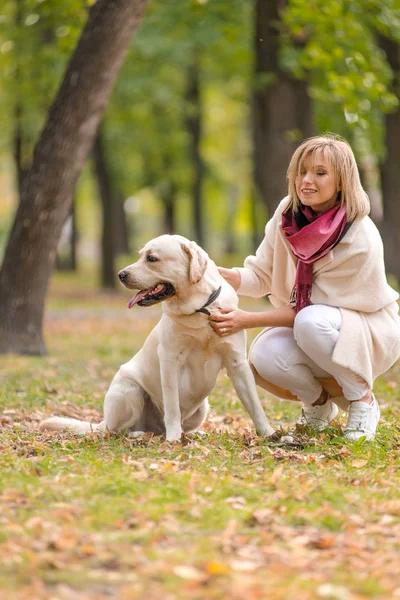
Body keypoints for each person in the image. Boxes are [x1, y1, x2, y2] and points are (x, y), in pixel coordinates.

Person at [209, 135, 400, 441]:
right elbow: (261, 275)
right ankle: (319, 404)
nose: (306, 181)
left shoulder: (357, 236)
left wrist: (245, 319)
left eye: (320, 173)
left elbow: (306, 309)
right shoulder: (288, 214)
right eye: (301, 171)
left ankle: (362, 399)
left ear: (341, 181)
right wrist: (216, 274)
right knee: (266, 355)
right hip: (314, 326)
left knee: (309, 323)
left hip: (365, 330)